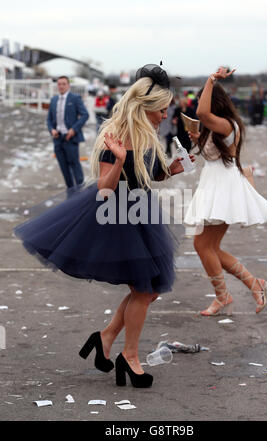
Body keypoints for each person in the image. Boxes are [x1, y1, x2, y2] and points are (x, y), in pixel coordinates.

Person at [14, 64, 194, 388]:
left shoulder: (147, 133)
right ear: (147, 107)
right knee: (146, 289)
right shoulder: (115, 132)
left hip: (139, 211)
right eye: (163, 109)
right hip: (117, 215)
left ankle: (106, 338)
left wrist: (169, 170)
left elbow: (147, 173)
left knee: (147, 289)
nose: (166, 115)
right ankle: (129, 356)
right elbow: (104, 187)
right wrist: (120, 160)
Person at [184, 67, 267, 317]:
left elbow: (202, 112)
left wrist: (211, 79)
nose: (201, 110)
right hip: (216, 185)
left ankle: (225, 296)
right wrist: (197, 137)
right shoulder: (218, 127)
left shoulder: (225, 124)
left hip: (222, 188)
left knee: (203, 244)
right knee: (208, 246)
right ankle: (251, 285)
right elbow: (212, 152)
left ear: (215, 103)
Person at [47, 76, 89, 189]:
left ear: (68, 85)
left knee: (75, 166)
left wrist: (74, 129)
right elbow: (49, 119)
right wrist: (52, 129)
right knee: (64, 168)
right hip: (57, 138)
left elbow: (85, 115)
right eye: (59, 84)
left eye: (63, 84)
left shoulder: (75, 98)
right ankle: (70, 192)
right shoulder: (54, 99)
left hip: (70, 138)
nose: (61, 86)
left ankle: (80, 192)